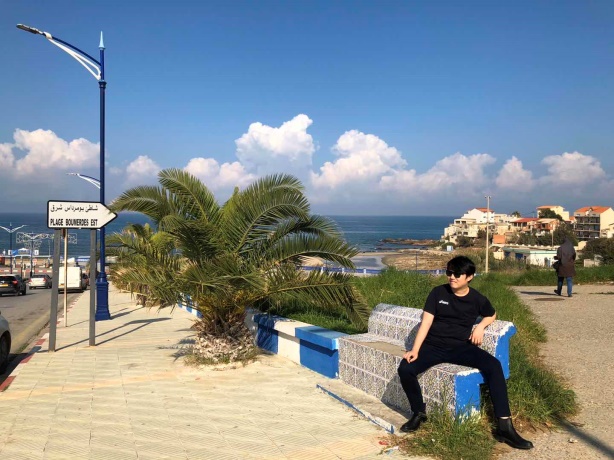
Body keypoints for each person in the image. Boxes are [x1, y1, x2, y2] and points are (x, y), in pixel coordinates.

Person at [397, 256, 533, 450]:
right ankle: (419, 412)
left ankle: (504, 427)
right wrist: (415, 350)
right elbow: (426, 323)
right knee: (405, 369)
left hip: (460, 348)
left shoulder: (476, 299)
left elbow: (491, 314)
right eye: (449, 272)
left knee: (494, 366)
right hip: (432, 347)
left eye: (457, 273)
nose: (452, 277)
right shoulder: (438, 293)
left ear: (469, 277)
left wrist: (481, 327)